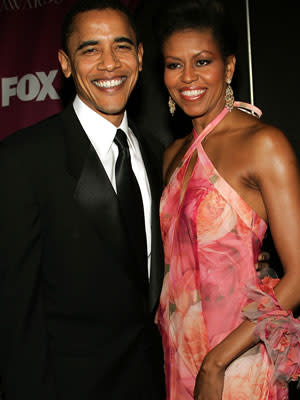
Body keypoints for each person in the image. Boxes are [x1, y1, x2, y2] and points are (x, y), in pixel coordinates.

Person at [0, 1, 165, 399]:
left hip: (155, 382)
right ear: (65, 63)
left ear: (140, 57)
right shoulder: (23, 159)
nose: (110, 64)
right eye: (90, 50)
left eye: (122, 47)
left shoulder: (159, 153)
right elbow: (14, 311)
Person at [155, 0, 300, 399]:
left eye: (202, 62)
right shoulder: (171, 155)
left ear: (230, 67)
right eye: (173, 65)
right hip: (178, 355)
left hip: (237, 357)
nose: (188, 77)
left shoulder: (262, 144)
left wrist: (218, 361)